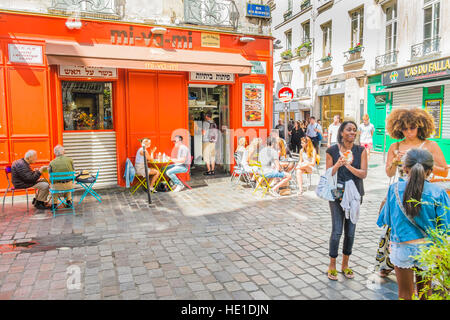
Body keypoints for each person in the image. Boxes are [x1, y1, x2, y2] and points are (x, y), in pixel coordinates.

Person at [377, 148, 449, 300]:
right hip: (428, 249)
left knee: (405, 295)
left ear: (404, 168)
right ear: (430, 171)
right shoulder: (438, 192)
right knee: (426, 294)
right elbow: (445, 227)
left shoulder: (394, 189)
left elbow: (387, 221)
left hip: (402, 247)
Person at [325, 121, 368, 281]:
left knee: (350, 232)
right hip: (336, 194)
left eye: (354, 130)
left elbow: (363, 174)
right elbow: (328, 174)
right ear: (342, 132)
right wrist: (338, 164)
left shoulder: (361, 150)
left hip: (355, 195)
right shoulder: (332, 150)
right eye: (349, 129)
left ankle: (345, 264)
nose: (352, 132)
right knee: (337, 231)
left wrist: (349, 166)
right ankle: (332, 265)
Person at [385, 108, 448, 180]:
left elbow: (445, 173)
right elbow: (389, 174)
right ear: (399, 128)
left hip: (425, 188)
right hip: (404, 188)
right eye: (404, 128)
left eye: (412, 128)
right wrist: (395, 162)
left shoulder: (431, 145)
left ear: (420, 127)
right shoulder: (395, 147)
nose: (408, 131)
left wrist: (423, 163)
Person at [202, 111, 218, 176]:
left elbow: (203, 132)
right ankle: (213, 170)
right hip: (213, 142)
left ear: (206, 116)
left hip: (206, 141)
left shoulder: (205, 123)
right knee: (212, 156)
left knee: (206, 156)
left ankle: (209, 170)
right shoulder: (214, 123)